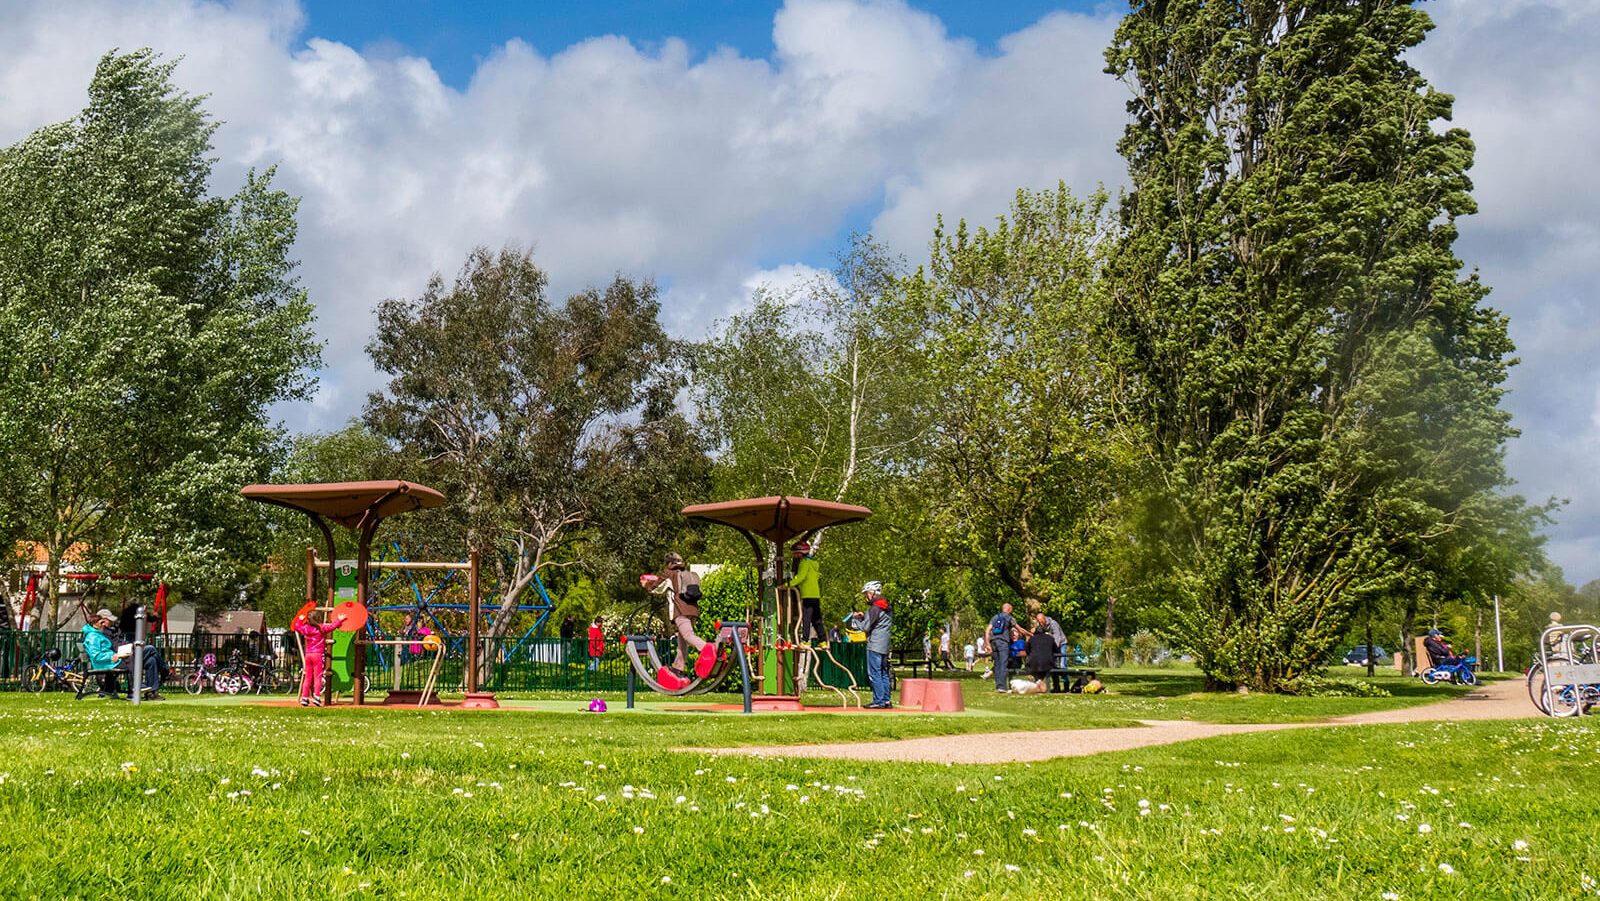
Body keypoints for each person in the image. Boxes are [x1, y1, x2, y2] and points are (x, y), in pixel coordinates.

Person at [661, 552, 718, 685]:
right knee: (682, 641)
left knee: (687, 635)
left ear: (670, 563)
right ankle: (678, 667)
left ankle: (706, 648)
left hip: (680, 610)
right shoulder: (688, 574)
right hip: (693, 610)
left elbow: (658, 587)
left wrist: (647, 584)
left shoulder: (671, 574)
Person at [292, 604, 346, 707]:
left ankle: (305, 697)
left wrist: (300, 619)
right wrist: (340, 620)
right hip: (318, 654)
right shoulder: (321, 628)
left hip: (308, 654)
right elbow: (332, 626)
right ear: (319, 619)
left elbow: (296, 626)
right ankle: (316, 697)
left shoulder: (306, 628)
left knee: (307, 677)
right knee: (317, 676)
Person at [861, 581, 893, 709]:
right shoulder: (886, 606)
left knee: (874, 673)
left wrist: (858, 620)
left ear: (872, 593)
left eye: (866, 594)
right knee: (884, 673)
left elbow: (865, 627)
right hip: (885, 645)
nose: (865, 597)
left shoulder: (875, 607)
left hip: (875, 644)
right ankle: (886, 700)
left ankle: (878, 701)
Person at [787, 541, 824, 644]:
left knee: (806, 618)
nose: (794, 555)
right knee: (816, 618)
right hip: (815, 594)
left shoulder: (804, 563)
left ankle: (805, 639)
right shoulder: (813, 563)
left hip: (807, 594)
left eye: (795, 553)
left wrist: (787, 585)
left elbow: (800, 577)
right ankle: (823, 640)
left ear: (800, 552)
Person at [988, 603, 1016, 691]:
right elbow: (1019, 629)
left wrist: (988, 644)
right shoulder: (1009, 618)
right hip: (1003, 642)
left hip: (993, 642)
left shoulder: (995, 617)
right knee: (1004, 664)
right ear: (1009, 609)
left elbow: (988, 630)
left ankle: (998, 685)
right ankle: (1002, 687)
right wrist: (1030, 634)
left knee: (997, 664)